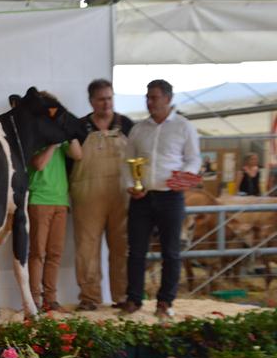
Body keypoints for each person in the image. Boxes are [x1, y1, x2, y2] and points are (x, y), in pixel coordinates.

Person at [120, 79, 201, 318]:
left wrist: (184, 178)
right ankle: (134, 299)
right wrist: (130, 186)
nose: (149, 101)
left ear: (168, 98)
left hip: (171, 198)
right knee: (135, 251)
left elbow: (193, 159)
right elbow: (128, 161)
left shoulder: (184, 127)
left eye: (154, 97)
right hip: (141, 197)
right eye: (147, 96)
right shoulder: (138, 129)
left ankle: (165, 302)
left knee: (171, 251)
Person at [70, 79, 134, 311]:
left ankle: (123, 296)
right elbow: (68, 163)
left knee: (121, 247)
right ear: (91, 101)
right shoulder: (78, 127)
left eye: (109, 98)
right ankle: (89, 297)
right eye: (101, 99)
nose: (106, 103)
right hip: (87, 197)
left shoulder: (127, 125)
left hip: (121, 195)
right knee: (86, 249)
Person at [27, 92, 83, 312]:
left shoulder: (59, 131)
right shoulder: (34, 132)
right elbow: (39, 164)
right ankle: (34, 299)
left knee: (54, 254)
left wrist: (68, 131)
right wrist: (53, 143)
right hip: (39, 198)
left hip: (61, 199)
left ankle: (51, 299)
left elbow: (78, 154)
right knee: (38, 252)